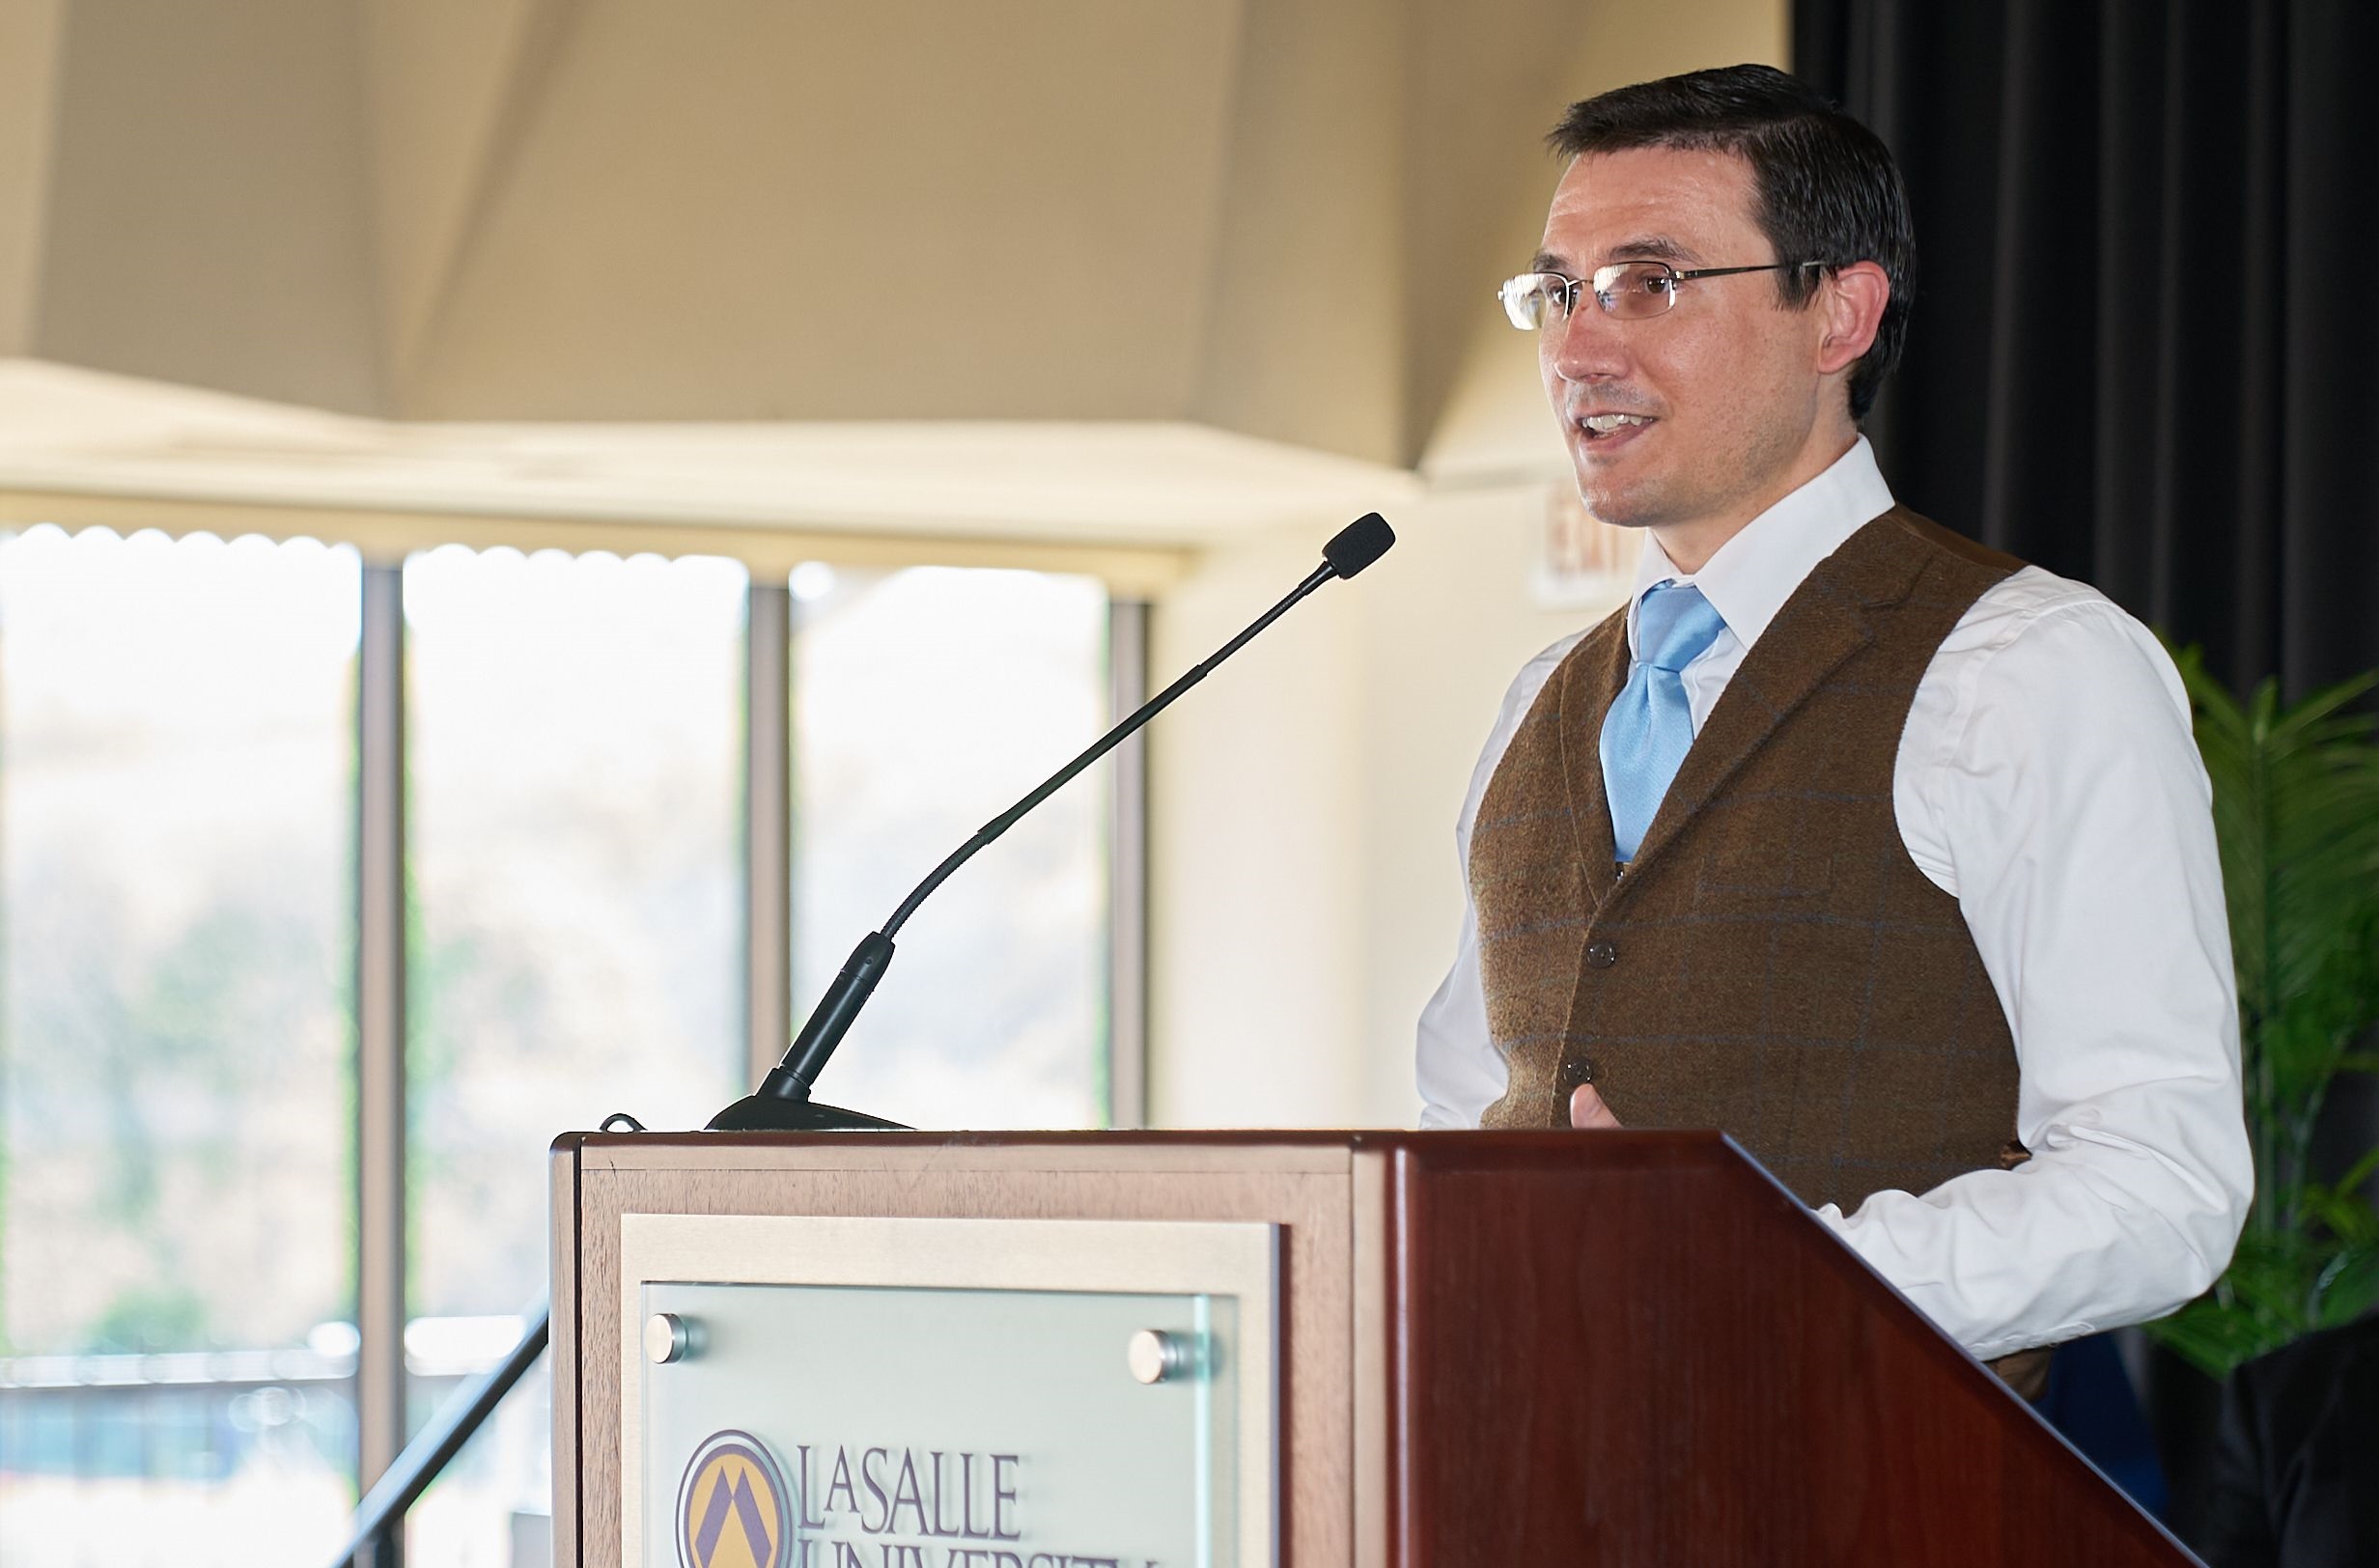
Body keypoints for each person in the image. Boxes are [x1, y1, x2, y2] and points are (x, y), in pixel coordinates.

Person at [1414, 64, 2251, 1386]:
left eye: (1653, 280)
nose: (1579, 345)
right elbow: (1467, 1107)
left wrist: (1770, 1273)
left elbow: (2162, 1191)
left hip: (1878, 1487)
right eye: (1558, 291)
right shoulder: (1541, 700)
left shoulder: (2029, 667)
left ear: (1840, 313)